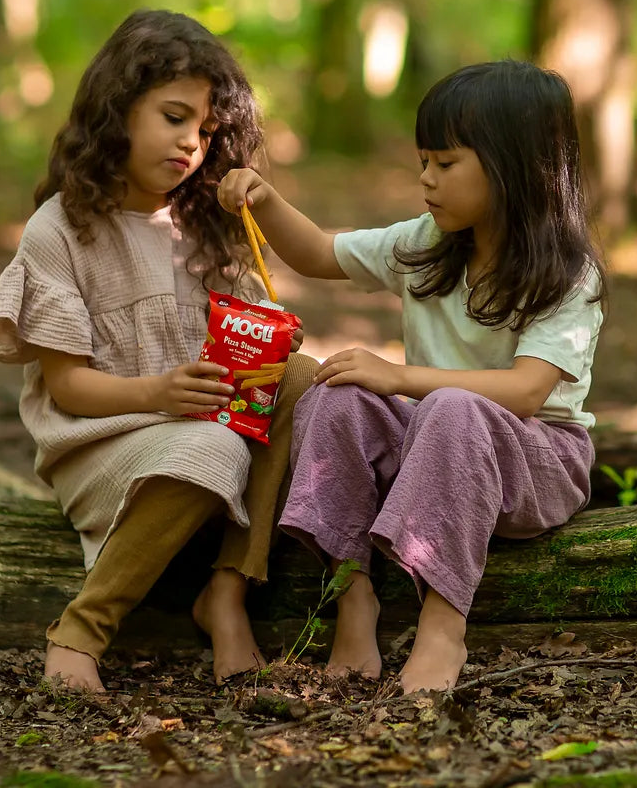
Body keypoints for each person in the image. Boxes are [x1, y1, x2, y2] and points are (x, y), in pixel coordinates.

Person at [218, 59, 605, 694]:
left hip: (538, 460)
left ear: (515, 167)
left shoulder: (567, 274)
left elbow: (527, 390)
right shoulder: (426, 244)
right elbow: (317, 253)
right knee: (334, 394)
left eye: (445, 163)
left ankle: (443, 625)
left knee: (452, 407)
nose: (425, 179)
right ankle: (352, 593)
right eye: (424, 161)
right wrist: (265, 198)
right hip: (431, 445)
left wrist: (400, 378)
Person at [0, 9, 316, 693]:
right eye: (173, 117)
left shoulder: (207, 224)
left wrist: (270, 346)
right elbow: (69, 388)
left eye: (207, 131)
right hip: (102, 442)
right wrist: (158, 394)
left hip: (204, 429)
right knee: (212, 446)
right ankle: (83, 628)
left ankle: (226, 590)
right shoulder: (61, 229)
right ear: (118, 109)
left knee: (304, 379)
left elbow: (247, 371)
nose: (191, 142)